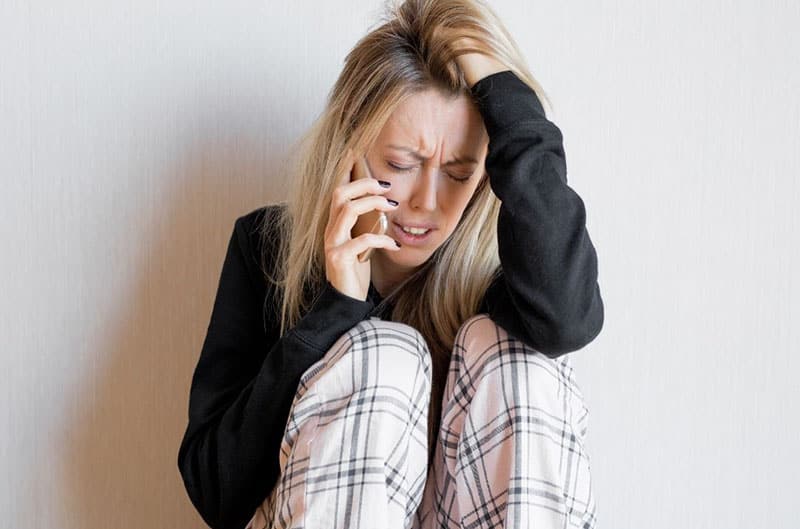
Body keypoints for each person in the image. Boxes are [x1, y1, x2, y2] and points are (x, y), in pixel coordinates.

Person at [177, 1, 604, 528]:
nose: (427, 202)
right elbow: (214, 493)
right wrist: (336, 311)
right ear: (349, 144)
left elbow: (567, 321)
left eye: (457, 172)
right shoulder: (267, 247)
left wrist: (493, 78)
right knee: (382, 354)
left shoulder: (503, 280)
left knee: (516, 355)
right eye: (402, 164)